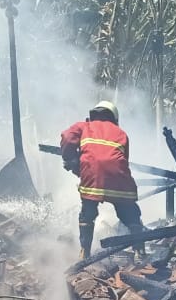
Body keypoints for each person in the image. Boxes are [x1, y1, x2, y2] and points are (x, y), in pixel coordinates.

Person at [60, 100, 145, 259]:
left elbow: (67, 137)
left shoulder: (85, 126)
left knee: (87, 214)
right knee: (130, 214)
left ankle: (84, 252)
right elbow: (122, 160)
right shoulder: (121, 133)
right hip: (119, 178)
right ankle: (139, 251)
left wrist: (69, 158)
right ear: (114, 117)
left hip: (92, 178)